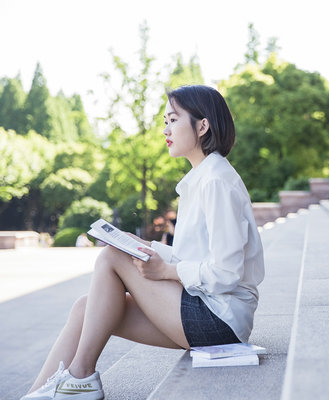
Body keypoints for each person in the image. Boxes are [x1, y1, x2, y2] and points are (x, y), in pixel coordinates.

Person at [21, 85, 265, 400]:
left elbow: (227, 272)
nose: (166, 129)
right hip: (204, 309)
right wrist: (145, 245)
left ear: (202, 126)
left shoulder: (216, 181)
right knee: (85, 308)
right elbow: (194, 256)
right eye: (165, 121)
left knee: (111, 258)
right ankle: (37, 393)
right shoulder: (202, 178)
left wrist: (166, 272)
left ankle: (81, 377)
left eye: (174, 120)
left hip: (220, 319)